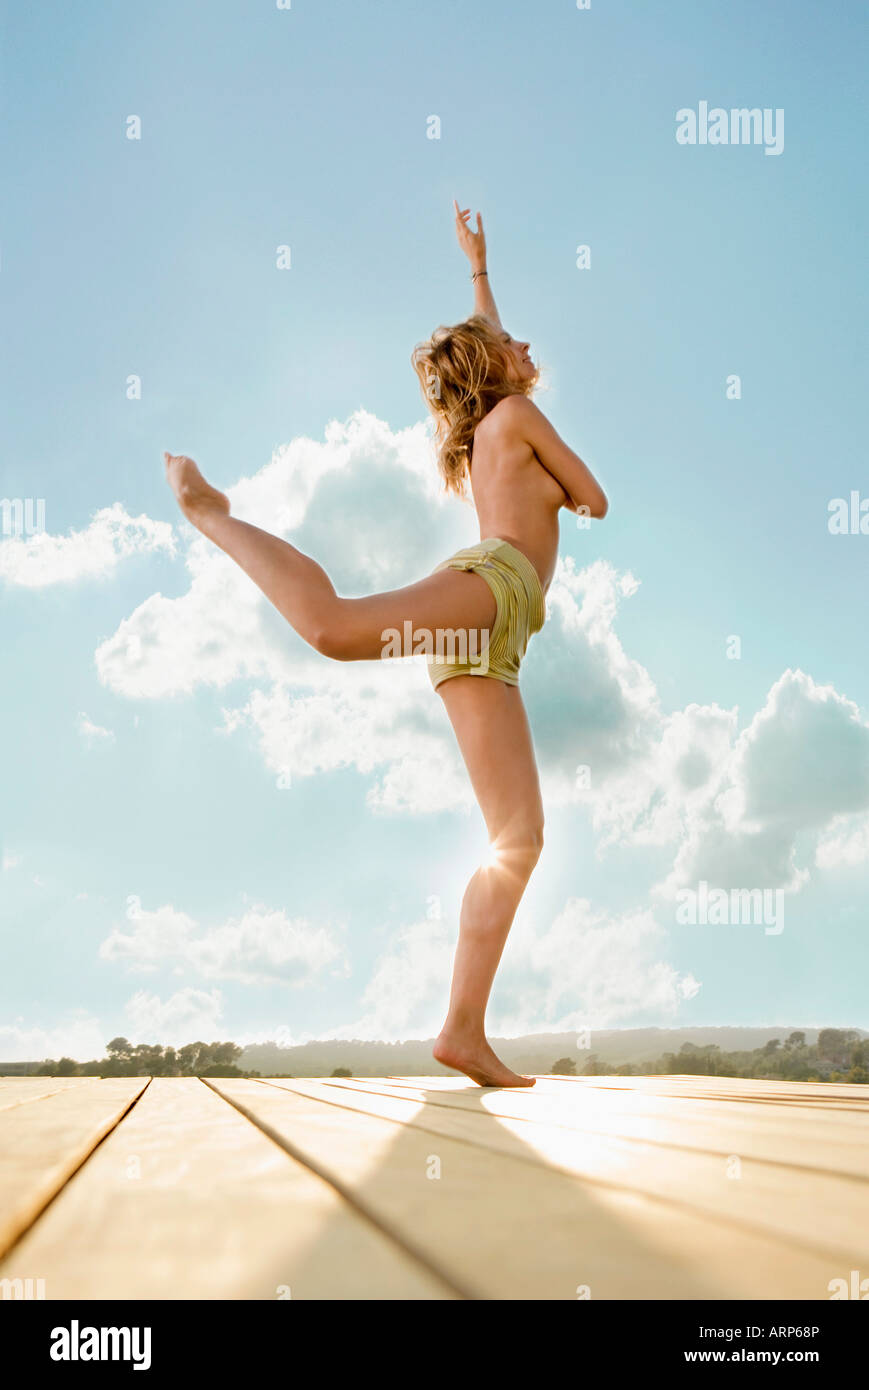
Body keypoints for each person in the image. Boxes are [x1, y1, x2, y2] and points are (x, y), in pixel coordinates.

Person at [165, 200, 608, 1087]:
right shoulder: (516, 418)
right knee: (333, 627)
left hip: (495, 637)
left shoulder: (494, 419)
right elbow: (595, 497)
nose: (523, 344)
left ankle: (462, 1031)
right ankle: (212, 515)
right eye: (510, 342)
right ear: (499, 371)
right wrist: (567, 489)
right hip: (491, 590)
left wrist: (477, 264)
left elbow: (486, 335)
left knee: (518, 835)